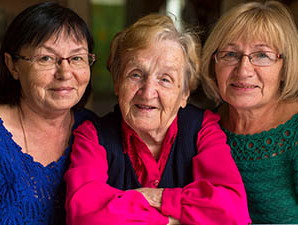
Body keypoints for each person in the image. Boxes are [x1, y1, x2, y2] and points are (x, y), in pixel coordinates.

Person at [65, 14, 251, 225]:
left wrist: (155, 197)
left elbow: (233, 212)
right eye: (135, 75)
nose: (147, 92)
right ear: (117, 83)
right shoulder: (92, 136)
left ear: (184, 94)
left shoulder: (203, 129)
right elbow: (84, 216)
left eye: (165, 79)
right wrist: (171, 220)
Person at [0, 2, 97, 224]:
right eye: (46, 58)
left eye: (77, 58)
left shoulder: (96, 130)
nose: (65, 73)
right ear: (12, 65)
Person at [201, 1, 298, 224]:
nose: (243, 70)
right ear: (213, 62)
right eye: (230, 54)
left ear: (285, 67)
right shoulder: (202, 128)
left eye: (262, 55)